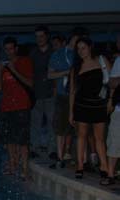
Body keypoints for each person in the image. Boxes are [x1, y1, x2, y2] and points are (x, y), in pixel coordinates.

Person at [69, 37, 111, 182]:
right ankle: (80, 165)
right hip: (81, 105)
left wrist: (110, 101)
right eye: (78, 49)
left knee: (99, 138)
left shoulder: (101, 60)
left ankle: (104, 167)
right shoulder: (76, 67)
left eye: (83, 48)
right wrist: (71, 112)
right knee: (81, 136)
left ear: (90, 47)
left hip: (99, 105)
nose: (81, 51)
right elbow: (73, 91)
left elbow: (111, 83)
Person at [0, 37, 34, 180]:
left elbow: (30, 83)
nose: (9, 52)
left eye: (11, 48)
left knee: (23, 141)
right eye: (6, 49)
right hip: (7, 107)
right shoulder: (3, 66)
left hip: (22, 106)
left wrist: (13, 70)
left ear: (16, 49)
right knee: (9, 140)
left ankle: (25, 169)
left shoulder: (24, 62)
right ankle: (12, 165)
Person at [48, 28, 84, 168]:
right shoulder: (58, 54)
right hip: (63, 96)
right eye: (75, 41)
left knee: (78, 128)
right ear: (70, 40)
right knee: (60, 127)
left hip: (79, 96)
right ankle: (59, 156)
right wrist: (66, 73)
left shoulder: (82, 55)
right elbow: (50, 75)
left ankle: (77, 158)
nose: (77, 45)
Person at [29, 25, 55, 158]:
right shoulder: (33, 54)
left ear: (47, 36)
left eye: (41, 36)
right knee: (35, 123)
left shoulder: (54, 51)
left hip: (51, 93)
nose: (39, 39)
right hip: (36, 94)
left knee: (52, 123)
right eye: (37, 36)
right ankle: (34, 148)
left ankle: (52, 150)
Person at [106, 32, 120, 183]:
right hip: (119, 109)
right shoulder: (119, 61)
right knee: (114, 141)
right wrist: (110, 101)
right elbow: (111, 84)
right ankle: (110, 175)